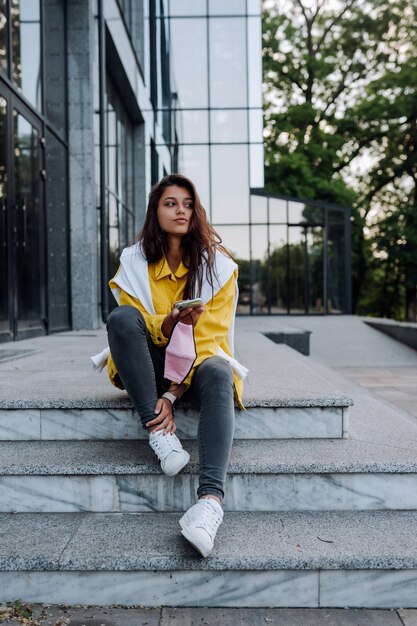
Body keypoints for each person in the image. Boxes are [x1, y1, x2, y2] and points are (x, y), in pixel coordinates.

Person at [104, 173, 247, 558]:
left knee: (219, 370)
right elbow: (131, 326)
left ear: (195, 212)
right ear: (156, 211)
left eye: (187, 203)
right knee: (120, 320)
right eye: (170, 203)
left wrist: (172, 393)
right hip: (146, 363)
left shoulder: (219, 267)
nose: (180, 210)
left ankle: (209, 505)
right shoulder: (134, 262)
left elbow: (211, 340)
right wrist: (167, 322)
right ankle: (158, 433)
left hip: (194, 369)